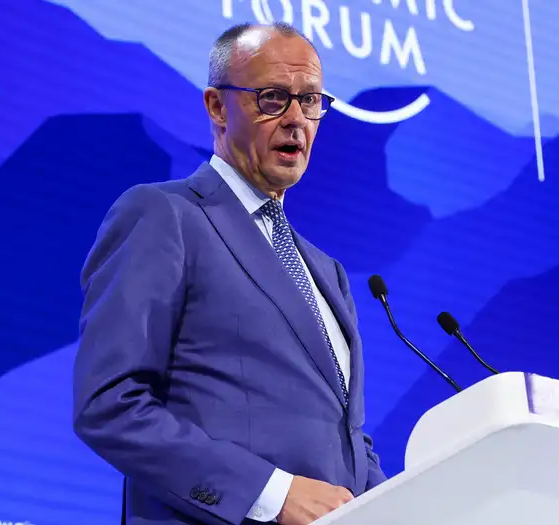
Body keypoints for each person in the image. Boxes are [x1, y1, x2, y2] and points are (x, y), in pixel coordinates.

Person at [72, 22, 385, 525]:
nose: (296, 119)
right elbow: (110, 404)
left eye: (310, 100)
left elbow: (345, 437)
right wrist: (272, 493)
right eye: (273, 98)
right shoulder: (164, 215)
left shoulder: (328, 272)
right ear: (217, 107)